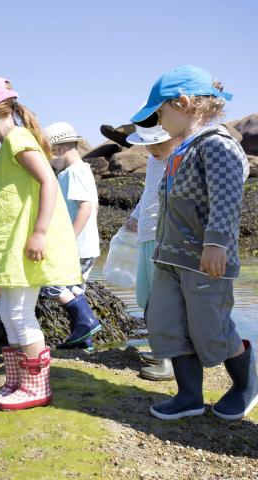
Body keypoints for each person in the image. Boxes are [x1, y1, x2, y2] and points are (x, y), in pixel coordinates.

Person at [130, 65, 255, 421]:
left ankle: (246, 384)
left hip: (204, 260)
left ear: (183, 103)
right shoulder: (180, 149)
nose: (157, 121)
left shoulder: (216, 144)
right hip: (169, 256)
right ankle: (189, 396)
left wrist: (216, 242)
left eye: (159, 113)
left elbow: (227, 196)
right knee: (166, 324)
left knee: (209, 331)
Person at [0, 76, 82, 410]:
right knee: (10, 312)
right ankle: (17, 382)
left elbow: (48, 182)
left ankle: (37, 387)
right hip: (13, 250)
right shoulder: (8, 145)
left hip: (26, 247)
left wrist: (39, 232)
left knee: (21, 314)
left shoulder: (17, 140)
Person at [122, 123, 181, 381]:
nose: (153, 149)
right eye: (148, 143)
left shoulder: (179, 160)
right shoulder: (154, 161)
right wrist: (135, 217)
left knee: (162, 299)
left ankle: (169, 360)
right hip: (147, 237)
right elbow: (149, 194)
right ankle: (161, 351)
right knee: (145, 296)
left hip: (164, 237)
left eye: (158, 143)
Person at [41, 122, 102, 351]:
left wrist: (67, 240)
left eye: (50, 156)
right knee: (75, 289)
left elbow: (85, 208)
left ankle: (87, 321)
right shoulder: (79, 171)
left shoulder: (74, 172)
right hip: (86, 245)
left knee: (50, 282)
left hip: (76, 246)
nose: (50, 162)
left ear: (58, 149)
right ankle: (83, 339)